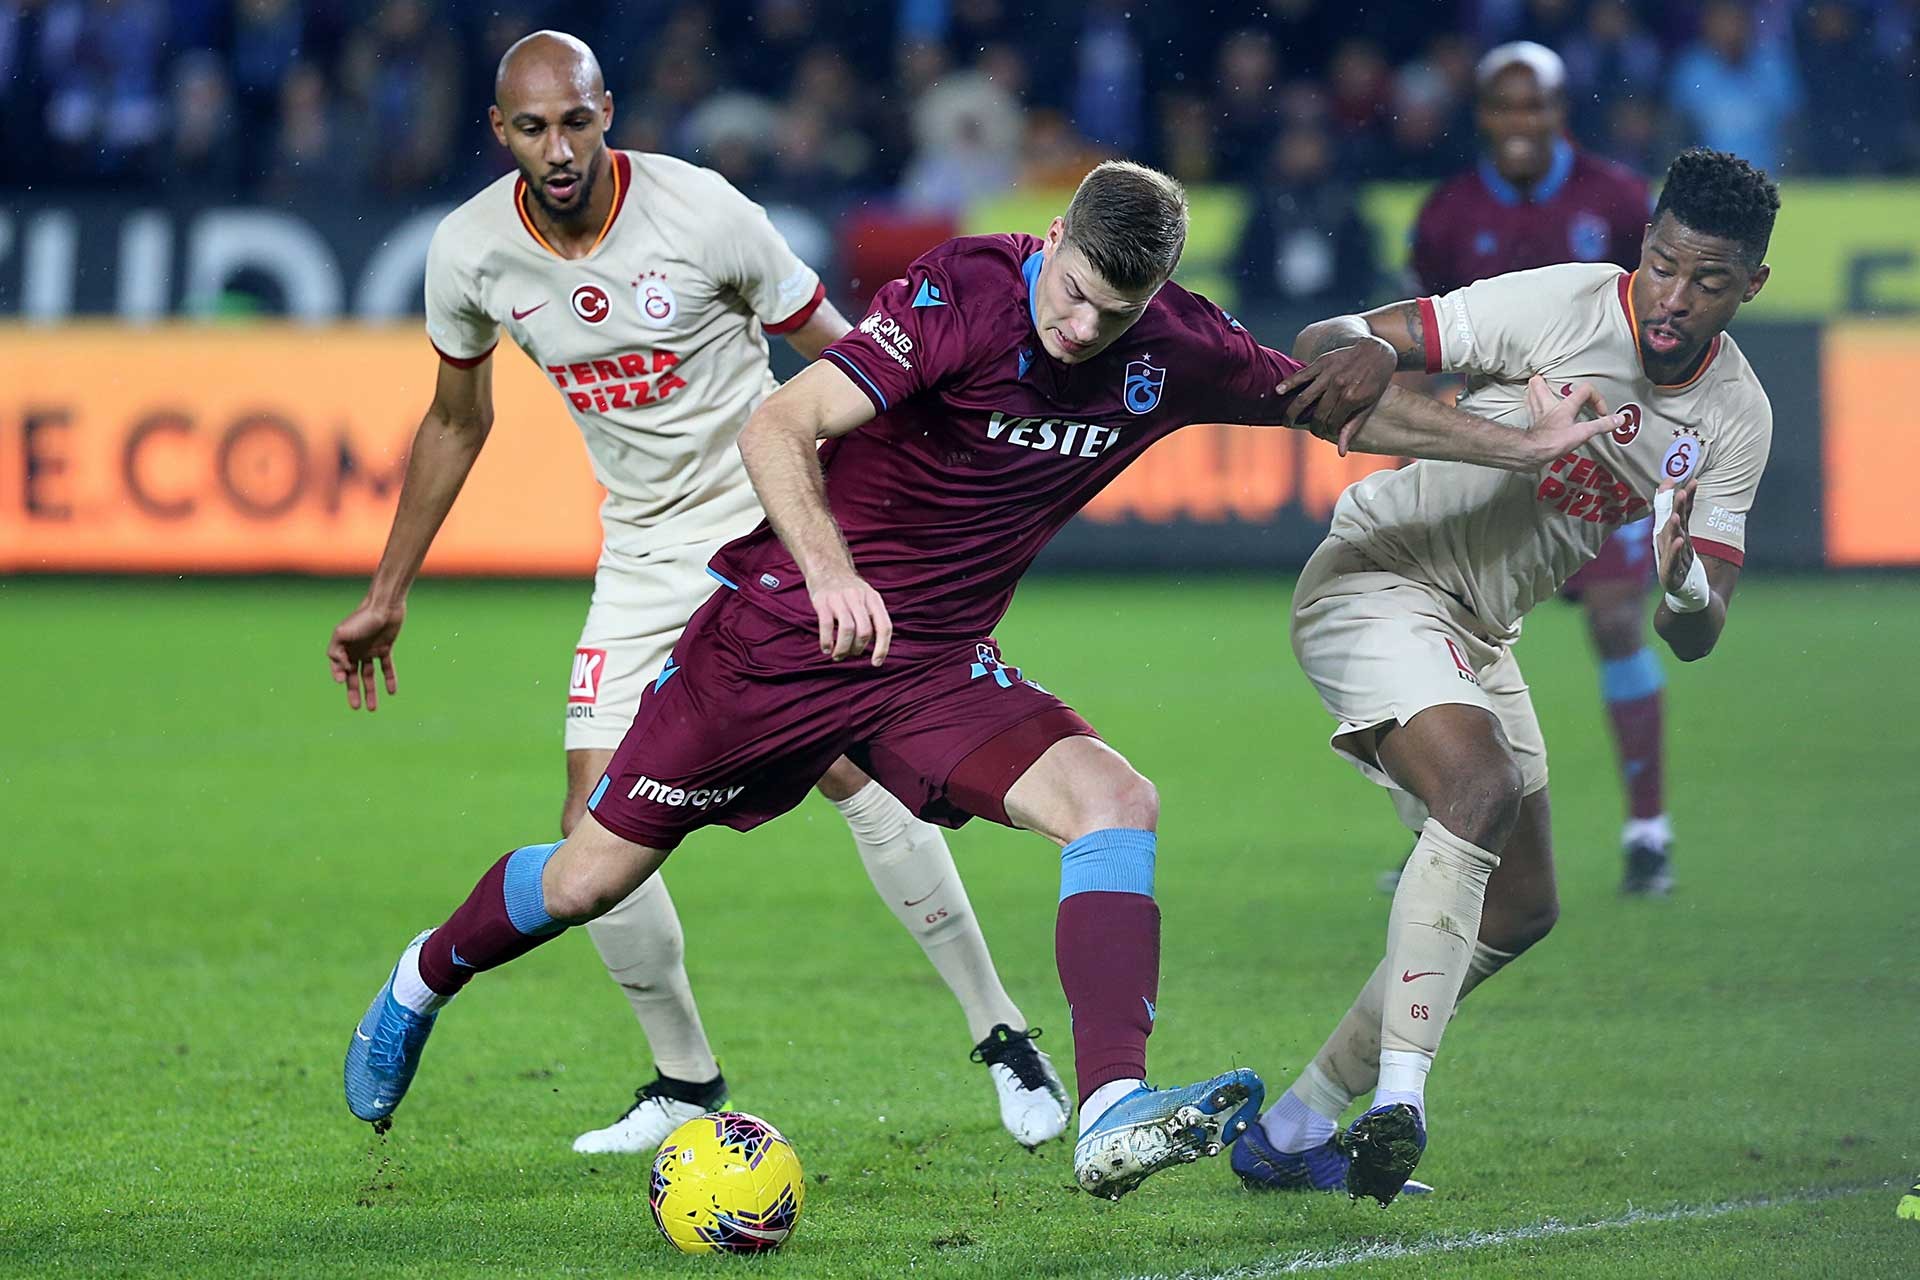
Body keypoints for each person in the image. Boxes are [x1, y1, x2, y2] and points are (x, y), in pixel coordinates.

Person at [341, 157, 1625, 1200]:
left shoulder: (1167, 348)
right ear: (1052, 234)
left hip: (934, 668)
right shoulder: (964, 291)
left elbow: (1334, 409)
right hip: (781, 639)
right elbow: (779, 423)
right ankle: (421, 977)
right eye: (1068, 292)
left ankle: (1111, 1104)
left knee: (1116, 802)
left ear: (1155, 294)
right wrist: (836, 573)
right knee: (587, 876)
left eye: (1107, 314)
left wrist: (1520, 442)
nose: (1077, 326)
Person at [326, 30, 1071, 1158]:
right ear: (499, 132)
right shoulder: (470, 250)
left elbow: (849, 359)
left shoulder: (704, 211)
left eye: (576, 121)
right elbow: (454, 418)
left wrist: (907, 514)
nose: (559, 147)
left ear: (608, 109)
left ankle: (1004, 1035)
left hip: (769, 525)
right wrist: (388, 589)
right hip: (638, 556)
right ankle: (684, 1081)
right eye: (533, 128)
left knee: (854, 768)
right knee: (591, 832)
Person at [1232, 148, 1779, 1205]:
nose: (1673, 297)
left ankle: (1296, 1124)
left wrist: (1680, 587)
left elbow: (1700, 629)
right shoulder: (1563, 301)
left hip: (1482, 628)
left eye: (1708, 281)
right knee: (1476, 790)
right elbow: (1339, 342)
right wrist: (1366, 361)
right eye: (1663, 265)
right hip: (1376, 576)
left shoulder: (1735, 417)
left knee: (1521, 907)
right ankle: (1399, 1098)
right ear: (1643, 246)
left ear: (1750, 286)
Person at [1407, 40, 1676, 896]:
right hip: (1488, 449)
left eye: (1536, 107)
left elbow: (1659, 324)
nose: (1520, 123)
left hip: (1596, 444)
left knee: (1613, 622)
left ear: (1561, 112)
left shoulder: (1620, 198)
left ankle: (1647, 830)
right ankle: (1446, 827)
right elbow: (1425, 337)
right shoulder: (1447, 214)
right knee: (1449, 638)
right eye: (1504, 108)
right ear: (1482, 116)